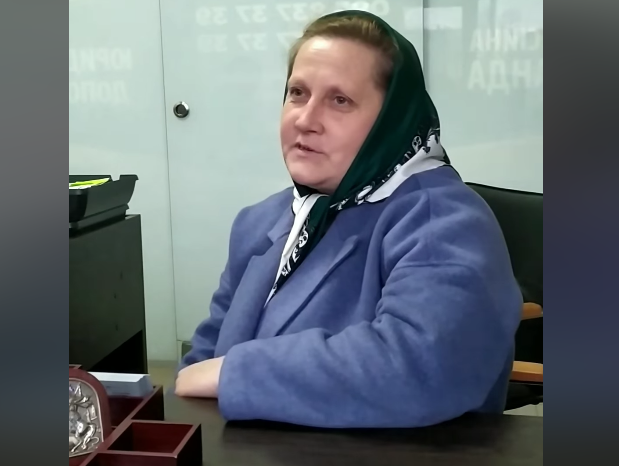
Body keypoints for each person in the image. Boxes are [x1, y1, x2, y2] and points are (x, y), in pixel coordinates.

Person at [175, 10, 522, 428]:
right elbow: (199, 366)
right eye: (298, 93)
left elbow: (422, 364)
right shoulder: (259, 222)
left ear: (391, 119)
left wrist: (236, 374)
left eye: (339, 100)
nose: (306, 120)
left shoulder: (444, 220)